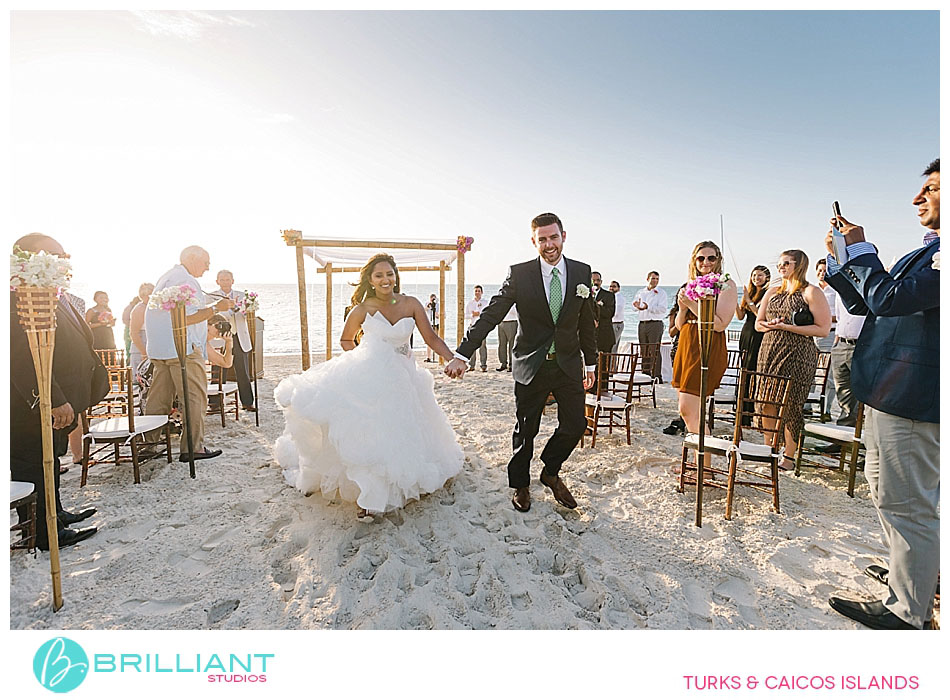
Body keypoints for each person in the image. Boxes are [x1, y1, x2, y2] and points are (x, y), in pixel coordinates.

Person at [825, 159, 939, 631]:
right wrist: (841, 262)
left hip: (913, 397)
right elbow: (873, 304)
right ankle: (909, 573)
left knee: (908, 502)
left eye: (931, 189)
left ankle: (908, 611)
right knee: (887, 492)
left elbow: (889, 299)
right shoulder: (927, 251)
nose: (917, 199)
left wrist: (862, 249)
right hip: (889, 392)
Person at [274, 253, 463, 520]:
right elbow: (346, 340)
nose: (385, 280)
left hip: (405, 374)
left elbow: (430, 337)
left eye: (389, 274)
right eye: (379, 275)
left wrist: (451, 357)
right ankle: (370, 494)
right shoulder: (363, 309)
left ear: (395, 276)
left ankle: (396, 480)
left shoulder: (411, 303)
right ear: (370, 280)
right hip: (372, 374)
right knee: (373, 429)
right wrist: (365, 360)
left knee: (404, 427)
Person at [445, 212, 597, 513]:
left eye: (554, 237)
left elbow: (586, 323)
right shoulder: (520, 274)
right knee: (526, 428)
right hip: (531, 363)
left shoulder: (582, 272)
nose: (549, 244)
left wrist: (590, 364)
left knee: (576, 424)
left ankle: (550, 471)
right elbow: (492, 314)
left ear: (563, 236)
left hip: (567, 363)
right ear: (533, 242)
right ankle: (521, 484)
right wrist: (463, 353)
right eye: (542, 239)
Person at [10, 233, 107, 549]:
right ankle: (41, 533)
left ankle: (57, 513)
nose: (66, 260)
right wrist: (52, 399)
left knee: (50, 458)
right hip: (34, 406)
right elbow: (22, 357)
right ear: (36, 256)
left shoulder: (49, 291)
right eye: (58, 254)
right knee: (34, 463)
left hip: (63, 398)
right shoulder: (19, 295)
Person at [145, 246, 234, 462]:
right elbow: (187, 318)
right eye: (206, 262)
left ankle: (148, 445)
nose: (208, 267)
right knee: (194, 398)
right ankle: (193, 448)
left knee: (159, 399)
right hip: (182, 348)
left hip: (160, 349)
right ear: (192, 258)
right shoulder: (186, 280)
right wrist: (217, 307)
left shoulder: (167, 277)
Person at [754, 250, 831, 471]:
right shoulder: (772, 292)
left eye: (786, 263)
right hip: (769, 350)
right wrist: (769, 326)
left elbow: (823, 329)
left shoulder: (810, 292)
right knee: (766, 401)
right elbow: (758, 323)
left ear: (800, 265)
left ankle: (788, 456)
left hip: (798, 354)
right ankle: (768, 449)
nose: (781, 267)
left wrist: (787, 326)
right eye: (779, 264)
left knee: (791, 404)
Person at [671, 243, 737, 448]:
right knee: (689, 411)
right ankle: (700, 462)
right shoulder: (691, 284)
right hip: (686, 345)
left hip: (706, 345)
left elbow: (719, 324)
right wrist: (682, 309)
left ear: (719, 260)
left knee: (689, 410)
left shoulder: (726, 284)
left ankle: (704, 464)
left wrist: (692, 304)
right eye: (701, 258)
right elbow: (680, 325)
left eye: (711, 258)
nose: (706, 262)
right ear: (694, 260)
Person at [213, 270, 255, 411]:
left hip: (239, 336)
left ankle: (247, 402)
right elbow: (214, 315)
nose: (225, 282)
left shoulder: (243, 296)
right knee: (218, 370)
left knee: (242, 370)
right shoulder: (212, 297)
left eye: (227, 279)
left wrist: (243, 308)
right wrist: (230, 309)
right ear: (217, 281)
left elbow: (249, 312)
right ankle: (215, 403)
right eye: (222, 279)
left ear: (233, 281)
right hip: (220, 337)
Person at [735, 265, 771, 422]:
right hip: (746, 333)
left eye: (760, 275)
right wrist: (737, 301)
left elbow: (760, 315)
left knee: (752, 370)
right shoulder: (748, 293)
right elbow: (740, 316)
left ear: (766, 278)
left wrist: (749, 301)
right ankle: (740, 406)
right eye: (754, 275)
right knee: (743, 369)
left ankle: (748, 411)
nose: (757, 278)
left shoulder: (767, 294)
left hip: (758, 335)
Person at [829, 293, 866, 427]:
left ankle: (858, 435)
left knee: (860, 391)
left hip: (861, 345)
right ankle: (844, 432)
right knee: (843, 391)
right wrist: (836, 344)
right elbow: (839, 318)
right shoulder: (840, 291)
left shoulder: (867, 288)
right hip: (841, 344)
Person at [662, 282, 688, 436]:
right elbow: (671, 333)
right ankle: (682, 417)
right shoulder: (675, 312)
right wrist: (681, 320)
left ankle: (684, 418)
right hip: (678, 346)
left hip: (693, 346)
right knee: (680, 384)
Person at [632, 271, 668, 380]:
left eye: (657, 279)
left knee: (654, 350)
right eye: (653, 278)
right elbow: (634, 307)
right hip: (642, 323)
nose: (655, 281)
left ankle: (657, 375)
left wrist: (648, 308)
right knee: (644, 350)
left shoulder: (661, 293)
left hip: (655, 324)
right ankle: (645, 374)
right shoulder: (640, 292)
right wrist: (637, 306)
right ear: (647, 279)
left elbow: (662, 309)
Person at [813, 258, 838, 420]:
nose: (822, 274)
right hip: (811, 333)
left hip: (829, 333)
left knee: (829, 374)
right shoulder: (813, 290)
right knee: (809, 370)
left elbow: (840, 316)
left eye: (825, 271)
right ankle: (807, 405)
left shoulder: (836, 291)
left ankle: (826, 409)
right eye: (820, 270)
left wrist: (823, 318)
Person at [128, 282, 154, 378]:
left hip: (152, 347)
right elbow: (134, 333)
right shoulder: (139, 309)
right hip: (141, 347)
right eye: (148, 295)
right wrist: (143, 352)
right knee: (141, 379)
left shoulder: (152, 308)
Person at [464, 285, 490, 372]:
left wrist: (480, 314)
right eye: (476, 291)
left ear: (482, 292)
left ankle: (483, 365)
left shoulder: (486, 302)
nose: (477, 293)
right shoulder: (470, 303)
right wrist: (472, 315)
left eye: (479, 291)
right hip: (472, 325)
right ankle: (471, 365)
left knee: (482, 346)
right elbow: (465, 315)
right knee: (471, 346)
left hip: (482, 326)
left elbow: (488, 313)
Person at [590, 271, 616, 355]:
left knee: (604, 365)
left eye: (598, 280)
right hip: (588, 335)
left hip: (604, 335)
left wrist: (597, 306)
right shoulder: (583, 294)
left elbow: (610, 313)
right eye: (593, 280)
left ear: (601, 282)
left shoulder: (609, 295)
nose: (596, 282)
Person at [495, 305, 518, 372]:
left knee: (512, 344)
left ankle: (511, 364)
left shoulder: (514, 302)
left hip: (511, 322)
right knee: (502, 344)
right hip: (501, 322)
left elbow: (516, 311)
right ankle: (503, 363)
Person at [608, 280, 625, 353]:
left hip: (616, 324)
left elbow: (616, 312)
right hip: (611, 324)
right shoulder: (611, 297)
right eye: (610, 286)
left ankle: (612, 364)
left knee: (613, 347)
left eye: (614, 286)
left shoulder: (619, 298)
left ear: (618, 288)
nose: (611, 288)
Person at [424, 293, 440, 362]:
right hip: (429, 324)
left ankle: (438, 357)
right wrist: (429, 306)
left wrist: (437, 315)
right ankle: (428, 357)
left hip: (436, 324)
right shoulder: (427, 303)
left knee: (436, 341)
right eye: (432, 299)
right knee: (428, 341)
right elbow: (424, 310)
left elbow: (443, 315)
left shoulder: (438, 305)